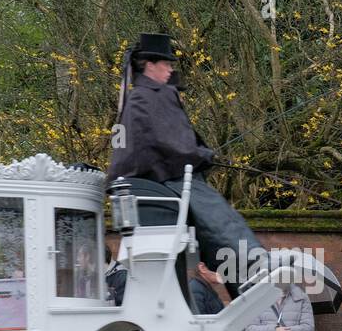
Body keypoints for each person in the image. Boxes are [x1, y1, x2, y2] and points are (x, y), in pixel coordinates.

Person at [108, 32, 265, 296]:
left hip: (153, 181)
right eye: (167, 64)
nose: (171, 69)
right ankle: (253, 264)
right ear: (151, 64)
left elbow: (143, 148)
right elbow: (175, 143)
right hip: (170, 179)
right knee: (219, 216)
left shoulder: (136, 98)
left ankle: (241, 278)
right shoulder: (154, 95)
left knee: (210, 231)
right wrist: (203, 155)